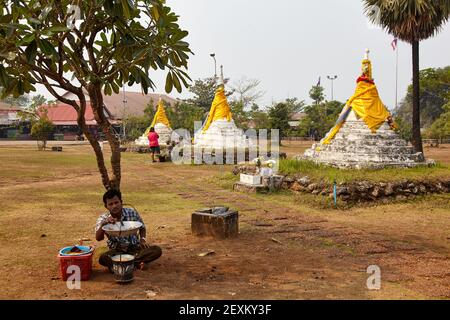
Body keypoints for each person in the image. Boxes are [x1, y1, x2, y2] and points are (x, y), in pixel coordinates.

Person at [95, 189, 162, 272]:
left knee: (156, 250)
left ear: (121, 202)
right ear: (106, 206)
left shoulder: (131, 212)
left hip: (135, 248)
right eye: (110, 204)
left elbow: (142, 227)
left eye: (116, 202)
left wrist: (142, 239)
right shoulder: (103, 219)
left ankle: (124, 264)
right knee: (103, 258)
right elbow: (98, 238)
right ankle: (136, 263)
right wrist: (104, 224)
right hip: (117, 251)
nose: (114, 206)